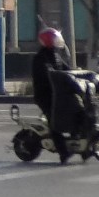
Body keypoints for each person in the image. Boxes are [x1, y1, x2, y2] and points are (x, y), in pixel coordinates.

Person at [31, 27, 71, 164]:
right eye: (55, 39)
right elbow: (48, 74)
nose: (58, 42)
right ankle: (63, 152)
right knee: (54, 122)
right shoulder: (40, 58)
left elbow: (66, 69)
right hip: (45, 95)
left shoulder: (55, 55)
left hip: (58, 94)